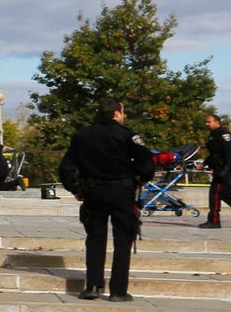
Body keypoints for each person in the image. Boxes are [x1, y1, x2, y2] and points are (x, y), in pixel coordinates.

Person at [62, 97, 160, 299]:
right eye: (123, 112)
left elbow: (65, 167)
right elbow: (148, 164)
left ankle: (93, 287)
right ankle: (118, 290)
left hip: (92, 192)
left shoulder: (82, 135)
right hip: (121, 192)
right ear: (116, 113)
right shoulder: (127, 135)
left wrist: (76, 189)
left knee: (95, 239)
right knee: (123, 240)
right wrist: (139, 180)